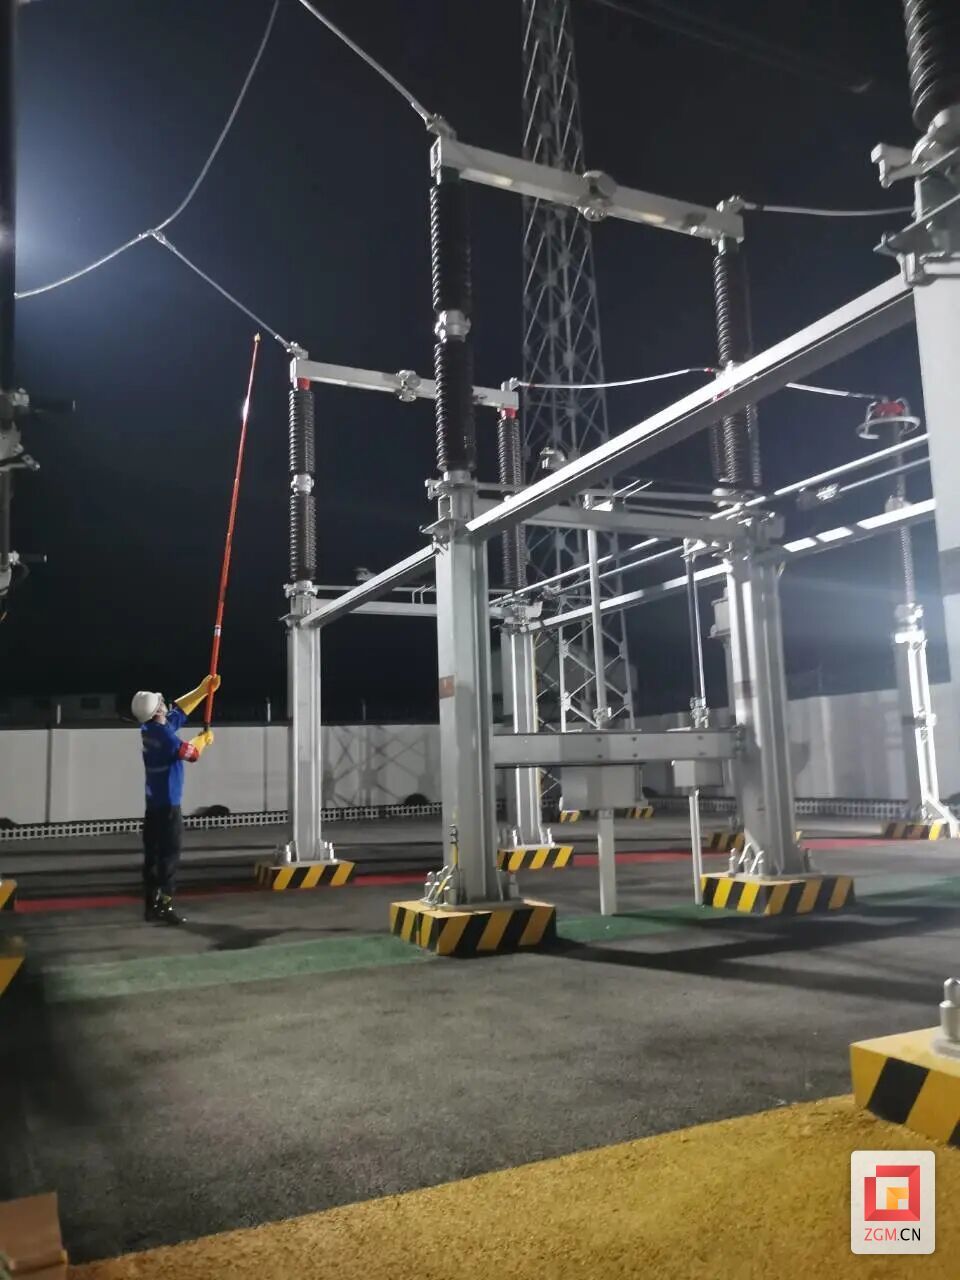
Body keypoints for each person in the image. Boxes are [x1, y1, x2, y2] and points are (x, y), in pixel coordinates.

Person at [130, 676, 219, 924]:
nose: (165, 704)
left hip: (153, 807)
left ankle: (150, 906)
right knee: (169, 856)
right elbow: (191, 754)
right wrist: (203, 739)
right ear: (158, 711)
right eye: (161, 703)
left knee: (153, 857)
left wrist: (202, 691)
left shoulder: (149, 729)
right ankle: (165, 906)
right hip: (169, 807)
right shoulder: (165, 738)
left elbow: (179, 712)